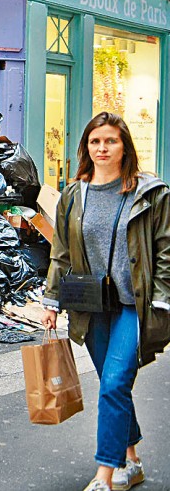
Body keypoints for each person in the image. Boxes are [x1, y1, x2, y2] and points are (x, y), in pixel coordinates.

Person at [42, 112, 170, 491]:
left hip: (136, 303)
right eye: (95, 142)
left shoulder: (150, 192)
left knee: (114, 383)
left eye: (110, 141)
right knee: (113, 385)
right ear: (86, 147)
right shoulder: (74, 194)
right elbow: (60, 251)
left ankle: (105, 475)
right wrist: (51, 300)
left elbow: (165, 248)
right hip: (91, 304)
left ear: (124, 146)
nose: (102, 148)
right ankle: (131, 461)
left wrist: (163, 296)